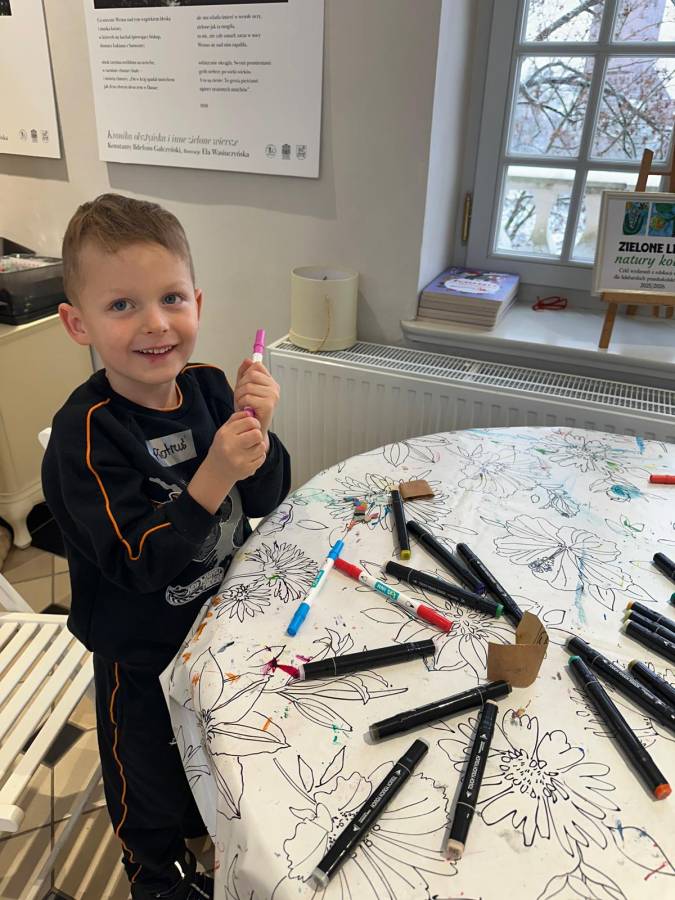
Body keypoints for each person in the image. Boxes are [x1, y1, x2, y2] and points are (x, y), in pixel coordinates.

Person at [42, 193, 290, 900]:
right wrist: (212, 473)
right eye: (122, 305)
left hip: (218, 630)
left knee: (213, 749)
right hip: (141, 649)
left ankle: (207, 824)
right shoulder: (87, 434)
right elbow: (136, 562)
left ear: (197, 303)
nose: (155, 323)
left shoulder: (209, 390)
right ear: (78, 323)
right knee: (146, 778)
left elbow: (266, 497)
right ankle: (155, 873)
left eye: (171, 298)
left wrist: (258, 431)